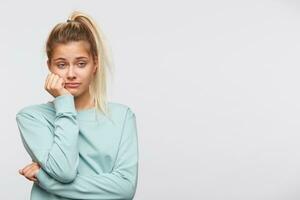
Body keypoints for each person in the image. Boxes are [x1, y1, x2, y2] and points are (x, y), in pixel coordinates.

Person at [15, 10, 139, 200]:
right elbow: (64, 171)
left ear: (95, 64)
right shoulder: (32, 117)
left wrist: (45, 180)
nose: (71, 74)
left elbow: (124, 188)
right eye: (62, 65)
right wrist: (64, 103)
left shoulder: (122, 116)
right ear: (50, 66)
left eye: (81, 64)